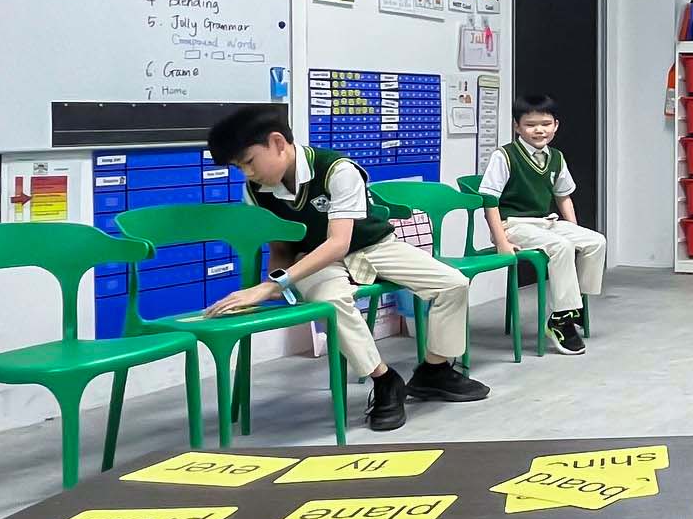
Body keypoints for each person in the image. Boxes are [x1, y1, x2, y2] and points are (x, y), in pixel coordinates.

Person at [201, 106, 486, 431]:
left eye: (249, 162)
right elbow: (280, 245)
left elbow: (339, 242)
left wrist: (273, 285)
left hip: (372, 245)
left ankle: (434, 371)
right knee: (331, 302)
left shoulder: (338, 170)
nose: (247, 173)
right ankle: (384, 380)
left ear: (278, 142)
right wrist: (276, 287)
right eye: (239, 167)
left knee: (453, 283)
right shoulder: (255, 191)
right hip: (312, 258)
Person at [480, 93, 606, 356]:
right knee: (560, 247)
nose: (539, 130)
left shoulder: (556, 157)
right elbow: (489, 201)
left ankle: (573, 305)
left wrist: (574, 230)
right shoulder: (505, 156)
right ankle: (560, 319)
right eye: (530, 124)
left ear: (556, 125)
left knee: (596, 241)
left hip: (544, 223)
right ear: (517, 127)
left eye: (546, 124)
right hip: (512, 225)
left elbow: (563, 196)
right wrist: (501, 242)